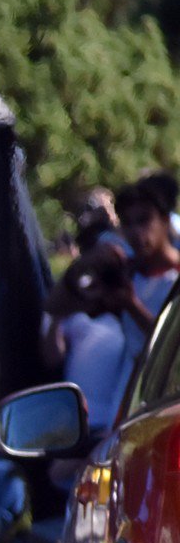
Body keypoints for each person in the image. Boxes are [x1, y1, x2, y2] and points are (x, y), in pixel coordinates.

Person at [44, 250, 139, 436]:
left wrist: (130, 303)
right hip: (74, 427)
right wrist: (75, 278)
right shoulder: (77, 317)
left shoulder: (135, 320)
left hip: (111, 429)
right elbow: (52, 357)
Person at [117, 184, 177, 352]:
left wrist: (132, 306)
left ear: (165, 220)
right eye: (127, 223)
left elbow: (173, 345)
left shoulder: (176, 276)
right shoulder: (125, 272)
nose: (136, 231)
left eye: (144, 220)